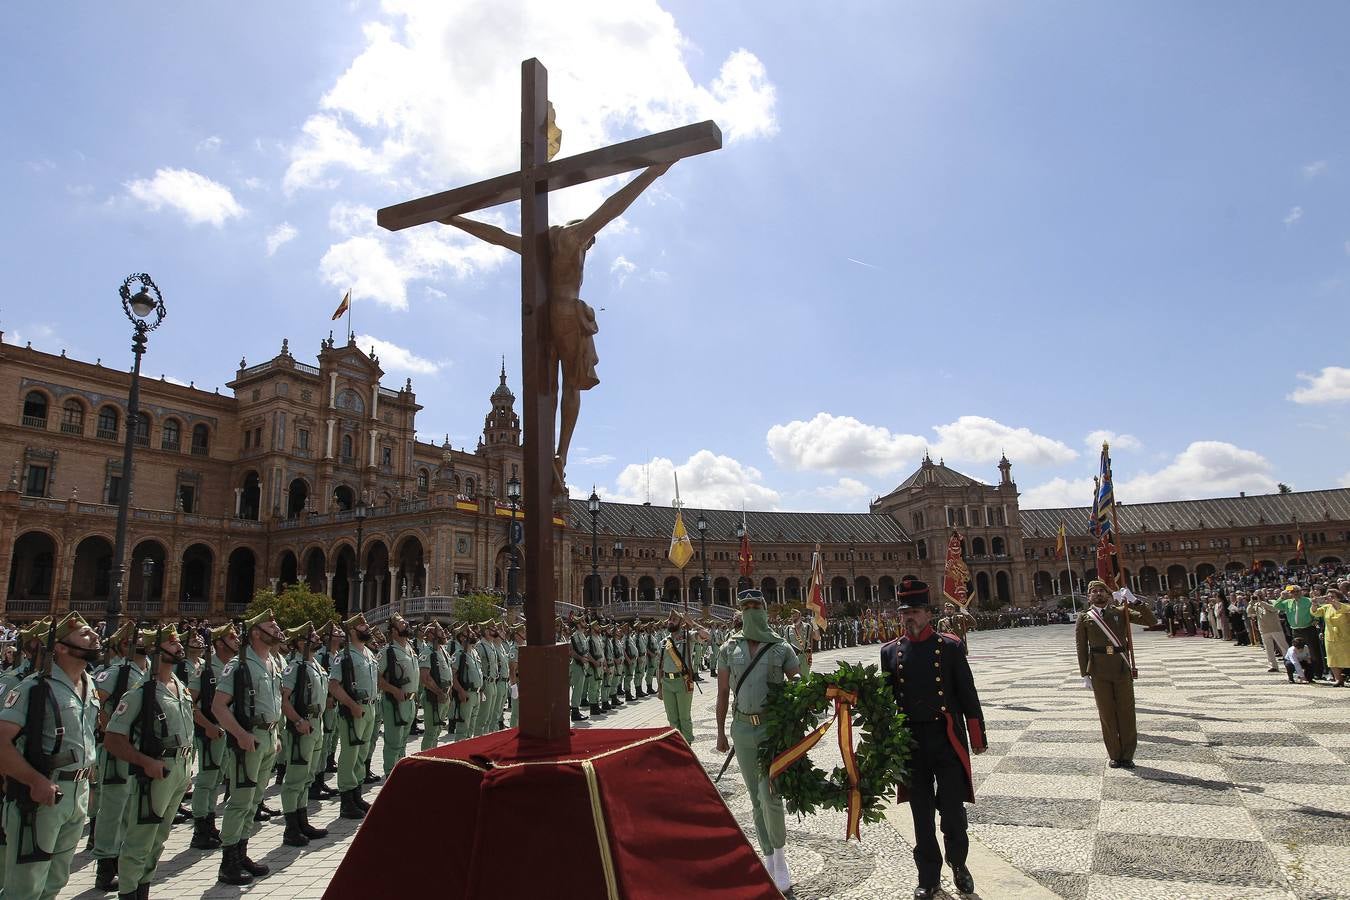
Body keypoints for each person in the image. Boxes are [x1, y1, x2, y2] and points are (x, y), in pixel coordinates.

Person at [880, 579, 986, 900]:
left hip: (946, 738)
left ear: (928, 613)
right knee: (921, 813)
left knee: (952, 810)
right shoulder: (889, 652)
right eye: (904, 612)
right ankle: (928, 876)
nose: (908, 617)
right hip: (911, 741)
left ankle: (959, 863)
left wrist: (977, 734)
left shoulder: (950, 648)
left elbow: (968, 694)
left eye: (914, 611)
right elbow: (886, 700)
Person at [0, 614, 101, 900]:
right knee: (25, 886)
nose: (95, 636)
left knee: (55, 880)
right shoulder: (34, 688)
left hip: (76, 793)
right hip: (41, 797)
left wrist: (89, 783)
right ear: (60, 647)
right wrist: (34, 780)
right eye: (84, 633)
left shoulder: (89, 683)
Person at [716, 589, 799, 893]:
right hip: (742, 729)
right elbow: (723, 692)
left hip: (771, 729)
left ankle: (780, 855)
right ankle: (768, 856)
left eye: (756, 606)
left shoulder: (781, 648)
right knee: (754, 797)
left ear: (765, 610)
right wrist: (722, 731)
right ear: (740, 611)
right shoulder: (728, 649)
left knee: (770, 794)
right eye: (746, 606)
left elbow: (798, 683)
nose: (751, 611)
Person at [103, 625, 195, 900]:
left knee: (159, 838)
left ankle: (143, 888)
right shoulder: (140, 691)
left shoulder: (179, 686)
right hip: (155, 772)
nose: (179, 647)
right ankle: (129, 892)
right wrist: (144, 762)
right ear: (156, 651)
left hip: (178, 770)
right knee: (140, 839)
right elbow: (113, 738)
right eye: (171, 643)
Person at [212, 609, 285, 886]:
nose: (277, 629)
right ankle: (228, 862)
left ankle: (242, 853)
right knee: (240, 800)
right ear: (256, 632)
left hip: (267, 738)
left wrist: (275, 734)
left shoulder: (271, 662)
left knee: (254, 800)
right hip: (249, 739)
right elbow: (218, 706)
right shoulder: (239, 665)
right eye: (271, 626)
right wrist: (240, 734)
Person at [1076, 580, 1156, 768]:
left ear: (1109, 595)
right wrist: (1084, 674)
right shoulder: (1085, 617)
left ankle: (1127, 755)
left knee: (1126, 712)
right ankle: (1114, 754)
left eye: (1101, 591)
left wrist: (1135, 601)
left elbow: (1151, 621)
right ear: (1089, 597)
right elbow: (1081, 648)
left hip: (1121, 667)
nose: (1098, 594)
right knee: (1107, 714)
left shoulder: (1121, 612)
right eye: (1094, 592)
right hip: (1098, 670)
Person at [278, 622, 330, 847]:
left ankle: (302, 820)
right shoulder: (295, 667)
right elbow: (284, 698)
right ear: (301, 642)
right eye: (312, 636)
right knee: (295, 777)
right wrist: (297, 721)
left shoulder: (314, 664)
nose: (318, 638)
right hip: (302, 726)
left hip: (315, 724)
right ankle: (291, 827)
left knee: (307, 775)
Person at [188, 623, 236, 849]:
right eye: (231, 637)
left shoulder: (236, 667)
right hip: (210, 732)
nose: (236, 641)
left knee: (217, 780)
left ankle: (210, 822)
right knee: (206, 780)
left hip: (228, 733)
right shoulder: (205, 670)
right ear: (219, 643)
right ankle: (200, 829)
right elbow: (190, 704)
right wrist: (207, 726)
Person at [327, 614, 378, 821]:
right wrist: (351, 705)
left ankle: (357, 794)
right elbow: (334, 685)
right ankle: (347, 801)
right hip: (354, 711)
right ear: (352, 631)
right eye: (362, 625)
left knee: (361, 752)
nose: (367, 627)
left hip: (369, 709)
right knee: (350, 754)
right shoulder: (345, 655)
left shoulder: (367, 652)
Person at [377, 613, 418, 772]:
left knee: (403, 742)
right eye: (401, 624)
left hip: (410, 702)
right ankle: (389, 775)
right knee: (393, 743)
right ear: (393, 630)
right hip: (395, 704)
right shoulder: (388, 652)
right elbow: (377, 679)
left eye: (405, 622)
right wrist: (393, 690)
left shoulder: (410, 648)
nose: (406, 625)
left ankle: (400, 774)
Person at [659, 616, 706, 743]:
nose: (670, 622)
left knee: (684, 717)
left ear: (681, 623)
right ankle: (677, 743)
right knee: (672, 718)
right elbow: (661, 666)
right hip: (667, 682)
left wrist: (692, 622)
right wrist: (659, 688)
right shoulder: (664, 641)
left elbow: (705, 635)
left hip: (683, 681)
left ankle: (687, 744)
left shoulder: (688, 636)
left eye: (674, 620)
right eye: (669, 620)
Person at [1274, 587, 1324, 681]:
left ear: (1301, 592)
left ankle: (1318, 672)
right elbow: (1276, 606)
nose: (1295, 593)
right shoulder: (1287, 602)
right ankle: (1300, 672)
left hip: (1308, 628)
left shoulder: (1308, 601)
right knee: (1297, 651)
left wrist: (1316, 620)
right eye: (1292, 592)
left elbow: (1316, 610)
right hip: (1295, 630)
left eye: (1297, 591)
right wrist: (1281, 597)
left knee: (1313, 651)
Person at [1311, 589, 1349, 686]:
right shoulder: (1326, 607)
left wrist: (1334, 603)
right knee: (1332, 659)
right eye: (1328, 596)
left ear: (1339, 598)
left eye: (1333, 596)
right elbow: (1315, 613)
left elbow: (1345, 610)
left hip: (1345, 637)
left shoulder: (1346, 606)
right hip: (1330, 637)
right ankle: (1338, 679)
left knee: (1348, 657)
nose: (1330, 598)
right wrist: (1314, 603)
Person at [1248, 591, 1290, 673]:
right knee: (1268, 649)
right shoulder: (1256, 605)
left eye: (1260, 595)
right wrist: (1251, 603)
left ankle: (1290, 664)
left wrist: (1262, 602)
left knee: (1284, 647)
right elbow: (1249, 613)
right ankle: (1273, 666)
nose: (1258, 597)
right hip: (1264, 630)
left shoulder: (1272, 602)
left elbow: (1274, 609)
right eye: (1257, 596)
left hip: (1275, 629)